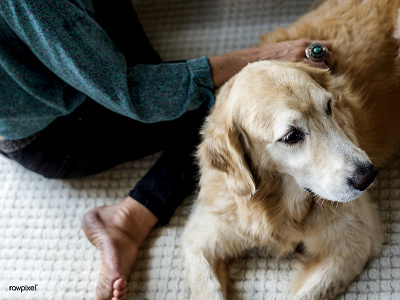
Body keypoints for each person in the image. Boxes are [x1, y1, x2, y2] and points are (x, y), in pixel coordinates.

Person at [0, 0, 334, 299]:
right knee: (227, 114)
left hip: (51, 69)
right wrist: (264, 56)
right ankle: (128, 220)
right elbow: (136, 93)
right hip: (59, 132)